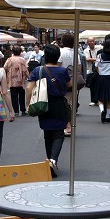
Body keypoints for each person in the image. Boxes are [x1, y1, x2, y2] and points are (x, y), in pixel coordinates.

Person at [25, 44, 70, 178]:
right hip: (58, 105)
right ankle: (53, 160)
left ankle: (49, 162)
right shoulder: (62, 71)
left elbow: (28, 88)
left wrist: (28, 104)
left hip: (42, 105)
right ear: (57, 57)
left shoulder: (38, 70)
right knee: (58, 134)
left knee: (47, 134)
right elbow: (70, 85)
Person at [95, 38, 110, 123]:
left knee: (100, 97)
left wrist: (100, 71)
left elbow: (96, 67)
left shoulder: (100, 56)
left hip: (101, 77)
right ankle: (108, 116)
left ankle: (102, 111)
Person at [3, 45, 29, 116]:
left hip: (12, 81)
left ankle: (16, 111)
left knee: (14, 96)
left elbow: (4, 68)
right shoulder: (22, 60)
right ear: (20, 52)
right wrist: (28, 77)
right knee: (22, 95)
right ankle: (23, 110)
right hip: (21, 81)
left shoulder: (9, 59)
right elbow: (25, 70)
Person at [84, 36, 102, 106]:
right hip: (90, 70)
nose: (91, 42)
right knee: (92, 86)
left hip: (99, 70)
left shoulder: (99, 48)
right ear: (87, 42)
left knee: (99, 85)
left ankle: (99, 99)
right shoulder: (86, 50)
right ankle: (93, 100)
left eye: (92, 41)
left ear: (95, 41)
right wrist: (97, 59)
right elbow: (87, 59)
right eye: (90, 41)